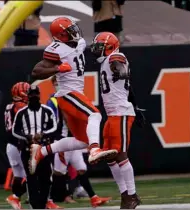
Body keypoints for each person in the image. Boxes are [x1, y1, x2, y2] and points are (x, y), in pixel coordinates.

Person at [29, 17, 118, 175]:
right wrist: (57, 68)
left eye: (73, 29)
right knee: (94, 115)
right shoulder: (56, 49)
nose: (74, 32)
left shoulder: (81, 42)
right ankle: (95, 150)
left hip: (76, 93)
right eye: (68, 31)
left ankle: (41, 152)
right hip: (67, 93)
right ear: (60, 36)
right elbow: (36, 71)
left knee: (82, 141)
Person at [90, 32, 146, 209]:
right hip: (113, 113)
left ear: (109, 47)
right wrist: (136, 107)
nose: (96, 50)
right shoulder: (107, 61)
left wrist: (120, 71)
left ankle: (132, 195)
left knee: (120, 154)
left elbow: (120, 67)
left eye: (100, 46)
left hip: (121, 112)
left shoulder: (116, 56)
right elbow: (128, 89)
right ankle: (124, 194)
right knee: (109, 156)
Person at [46, 90, 112, 207]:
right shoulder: (59, 98)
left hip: (74, 141)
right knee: (59, 172)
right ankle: (49, 200)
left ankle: (93, 197)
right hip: (63, 140)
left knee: (81, 169)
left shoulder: (73, 96)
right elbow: (67, 118)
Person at [12, 85, 62, 209]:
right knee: (31, 178)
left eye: (36, 94)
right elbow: (15, 130)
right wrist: (27, 137)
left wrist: (43, 134)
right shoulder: (21, 113)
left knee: (46, 178)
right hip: (28, 150)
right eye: (31, 94)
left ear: (39, 95)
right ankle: (35, 206)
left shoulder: (47, 111)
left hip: (43, 149)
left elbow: (54, 127)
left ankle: (43, 203)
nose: (34, 96)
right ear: (27, 96)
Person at [5, 82, 30, 209]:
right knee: (32, 174)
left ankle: (17, 200)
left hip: (11, 145)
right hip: (19, 143)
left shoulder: (9, 106)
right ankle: (16, 197)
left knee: (18, 175)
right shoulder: (20, 106)